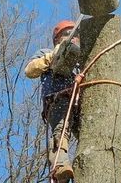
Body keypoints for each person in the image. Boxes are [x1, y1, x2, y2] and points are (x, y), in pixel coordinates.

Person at [24, 20, 81, 183]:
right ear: (57, 39)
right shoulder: (46, 52)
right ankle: (59, 166)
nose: (73, 38)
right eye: (67, 34)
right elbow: (30, 70)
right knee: (61, 130)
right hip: (57, 99)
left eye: (75, 35)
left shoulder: (81, 60)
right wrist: (51, 57)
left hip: (78, 103)